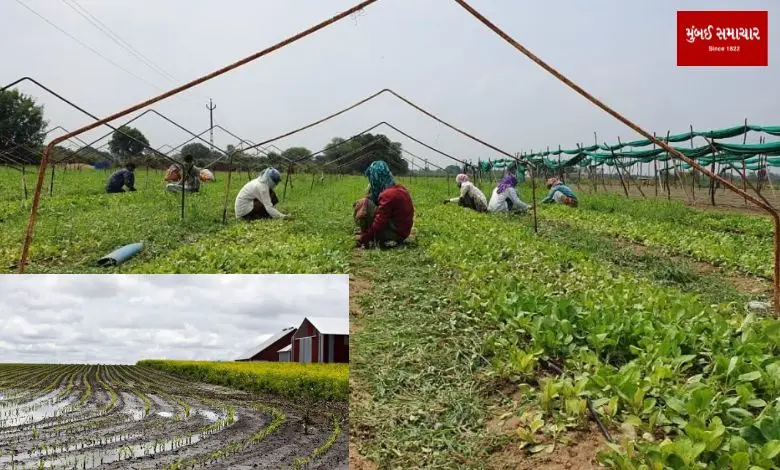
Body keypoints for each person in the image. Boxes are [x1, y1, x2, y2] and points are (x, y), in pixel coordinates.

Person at [354, 160, 414, 248]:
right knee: (368, 201)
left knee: (363, 203)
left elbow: (380, 221)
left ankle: (366, 235)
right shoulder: (399, 189)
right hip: (403, 232)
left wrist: (364, 238)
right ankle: (368, 234)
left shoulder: (387, 194)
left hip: (395, 234)